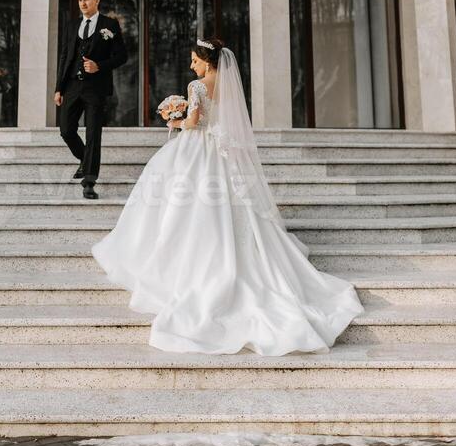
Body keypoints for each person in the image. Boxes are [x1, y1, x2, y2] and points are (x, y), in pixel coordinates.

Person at [92, 35, 365, 354]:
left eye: (194, 60)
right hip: (223, 155)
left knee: (177, 202)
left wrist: (173, 119)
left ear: (206, 61)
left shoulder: (197, 87)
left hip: (198, 151)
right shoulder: (227, 84)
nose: (191, 65)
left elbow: (194, 123)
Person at [54, 0, 127, 200]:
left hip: (96, 88)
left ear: (96, 1)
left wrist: (99, 66)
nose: (82, 3)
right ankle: (85, 160)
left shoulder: (109, 25)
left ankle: (89, 181)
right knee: (66, 130)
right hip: (72, 86)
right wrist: (59, 88)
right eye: (79, 0)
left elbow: (122, 56)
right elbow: (64, 57)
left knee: (93, 133)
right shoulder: (72, 25)